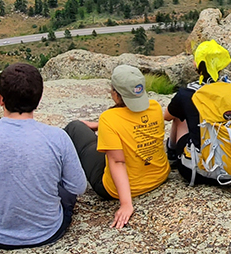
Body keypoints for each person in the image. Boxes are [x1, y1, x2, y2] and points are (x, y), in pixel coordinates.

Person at [0, 63, 86, 250]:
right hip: (50, 230)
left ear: (0, 99)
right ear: (39, 99)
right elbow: (78, 186)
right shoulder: (58, 137)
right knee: (62, 183)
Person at [64, 65, 169, 229]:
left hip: (113, 189)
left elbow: (117, 162)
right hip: (159, 176)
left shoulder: (109, 118)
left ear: (115, 94)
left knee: (75, 127)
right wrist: (99, 126)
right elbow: (133, 123)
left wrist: (126, 203)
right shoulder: (155, 107)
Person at [166, 40, 231, 160]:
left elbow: (166, 116)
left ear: (196, 64)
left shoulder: (186, 94)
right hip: (230, 163)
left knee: (178, 115)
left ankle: (171, 151)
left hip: (197, 170)